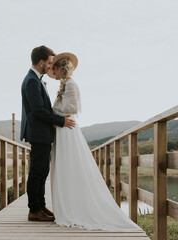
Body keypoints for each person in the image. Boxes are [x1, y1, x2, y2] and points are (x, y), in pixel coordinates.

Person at [48, 52, 142, 231]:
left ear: (61, 68)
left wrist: (53, 112)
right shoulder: (65, 85)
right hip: (62, 130)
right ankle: (66, 206)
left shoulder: (71, 84)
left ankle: (76, 209)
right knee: (63, 167)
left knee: (70, 165)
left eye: (54, 69)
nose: (53, 73)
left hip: (67, 129)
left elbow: (73, 107)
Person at [20, 46, 76, 222]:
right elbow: (38, 111)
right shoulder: (31, 81)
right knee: (37, 172)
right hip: (38, 133)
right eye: (50, 62)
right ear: (41, 62)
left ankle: (40, 205)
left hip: (41, 133)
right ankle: (34, 210)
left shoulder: (36, 79)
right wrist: (61, 121)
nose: (51, 66)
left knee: (42, 171)